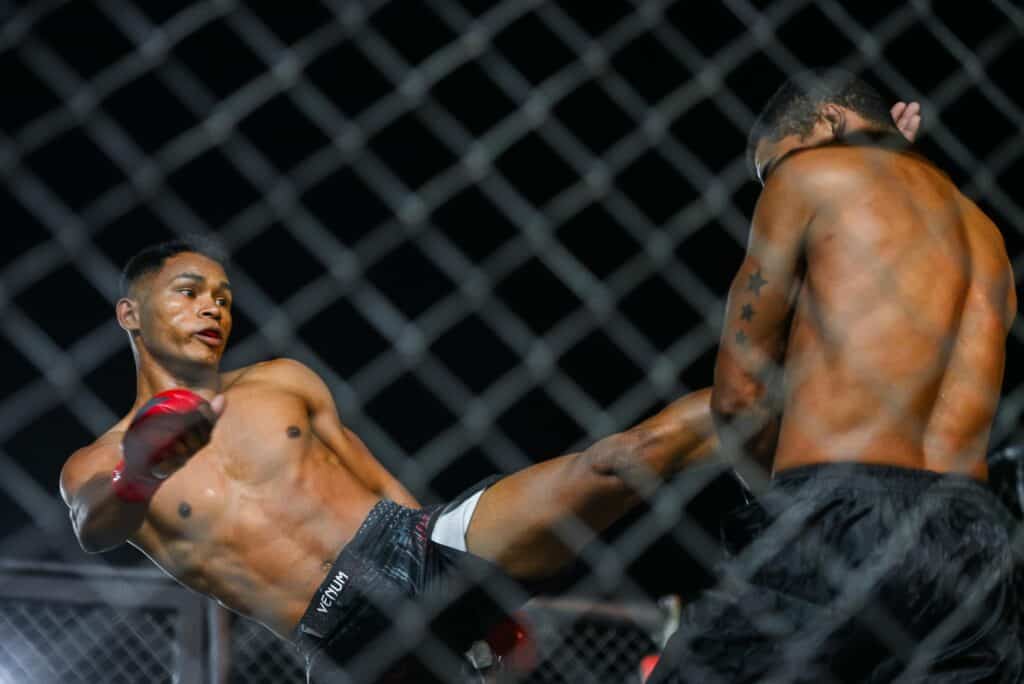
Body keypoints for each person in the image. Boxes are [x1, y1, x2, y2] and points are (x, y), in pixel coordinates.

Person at [59, 240, 718, 683]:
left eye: (223, 297)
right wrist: (142, 470)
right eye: (188, 292)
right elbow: (94, 524)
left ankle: (761, 405)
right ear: (130, 314)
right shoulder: (102, 457)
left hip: (418, 549)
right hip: (342, 641)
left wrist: (473, 597)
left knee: (618, 460)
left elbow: (375, 480)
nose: (212, 307)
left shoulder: (280, 379)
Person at [648, 70, 1020, 683]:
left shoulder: (809, 177)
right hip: (974, 549)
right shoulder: (986, 233)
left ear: (829, 119)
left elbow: (739, 396)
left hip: (838, 511)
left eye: (775, 166)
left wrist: (779, 504)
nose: (774, 184)